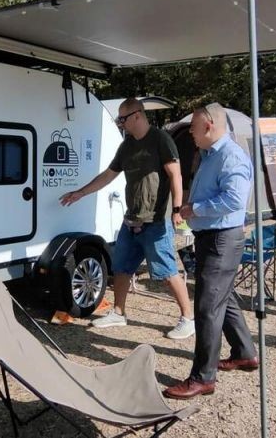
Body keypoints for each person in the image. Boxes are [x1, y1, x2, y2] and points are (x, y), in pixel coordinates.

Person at [59, 98, 195, 339]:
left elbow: (176, 175)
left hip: (156, 220)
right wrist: (80, 193)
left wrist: (176, 209)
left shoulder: (161, 140)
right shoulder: (127, 145)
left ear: (137, 115)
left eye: (123, 118)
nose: (120, 123)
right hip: (131, 219)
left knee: (166, 272)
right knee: (121, 267)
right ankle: (118, 313)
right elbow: (108, 175)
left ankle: (188, 319)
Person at [163, 103, 258, 400]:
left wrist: (196, 208)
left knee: (207, 307)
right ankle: (244, 352)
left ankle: (203, 378)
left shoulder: (230, 156)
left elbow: (234, 200)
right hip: (212, 237)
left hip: (221, 239)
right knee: (222, 298)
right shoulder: (209, 154)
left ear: (208, 126)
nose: (190, 132)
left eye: (193, 127)